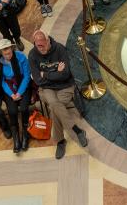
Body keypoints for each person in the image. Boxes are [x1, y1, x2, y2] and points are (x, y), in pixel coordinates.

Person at [28, 30, 88, 159]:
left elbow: (65, 74)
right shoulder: (32, 54)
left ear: (48, 40)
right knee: (55, 103)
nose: (41, 48)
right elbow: (38, 80)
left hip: (65, 87)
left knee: (54, 108)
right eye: (38, 46)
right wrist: (56, 73)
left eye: (43, 45)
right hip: (46, 89)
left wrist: (46, 74)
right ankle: (76, 130)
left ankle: (60, 141)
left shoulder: (60, 49)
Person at [0, 38, 33, 153]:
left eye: (9, 52)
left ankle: (25, 135)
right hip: (9, 88)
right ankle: (16, 138)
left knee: (24, 108)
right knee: (12, 111)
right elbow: (1, 80)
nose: (8, 56)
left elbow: (27, 76)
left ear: (12, 48)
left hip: (22, 84)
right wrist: (12, 94)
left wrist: (19, 93)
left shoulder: (21, 57)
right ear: (1, 53)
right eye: (5, 54)